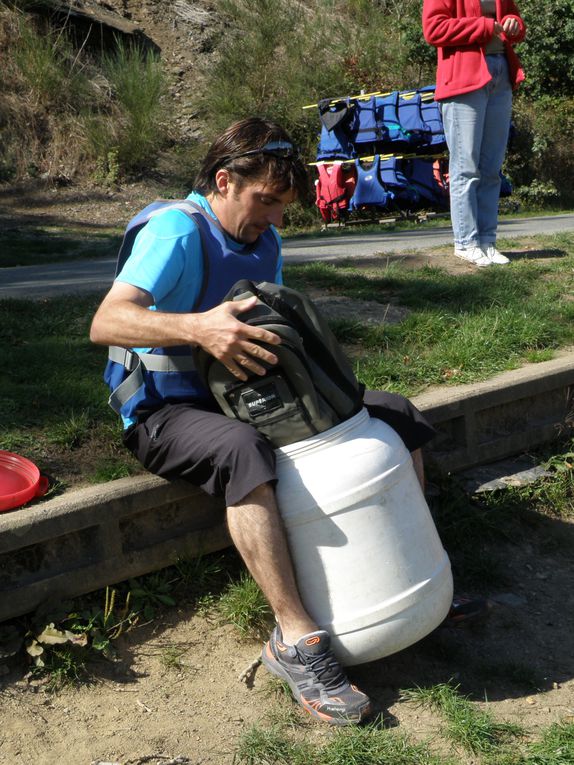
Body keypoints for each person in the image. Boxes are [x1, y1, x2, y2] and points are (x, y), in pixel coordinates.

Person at [90, 117, 437, 726]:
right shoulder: (175, 229)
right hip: (165, 414)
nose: (275, 219)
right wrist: (199, 327)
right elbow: (108, 321)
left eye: (283, 207)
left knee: (393, 414)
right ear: (224, 180)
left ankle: (407, 566)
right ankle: (295, 640)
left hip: (243, 399)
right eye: (266, 202)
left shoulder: (263, 242)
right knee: (243, 451)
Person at [423, 0, 526, 267]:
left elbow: (513, 19)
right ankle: (466, 243)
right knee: (465, 168)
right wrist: (483, 26)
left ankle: (487, 242)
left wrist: (516, 25)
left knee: (492, 168)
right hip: (463, 80)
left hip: (501, 74)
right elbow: (433, 29)